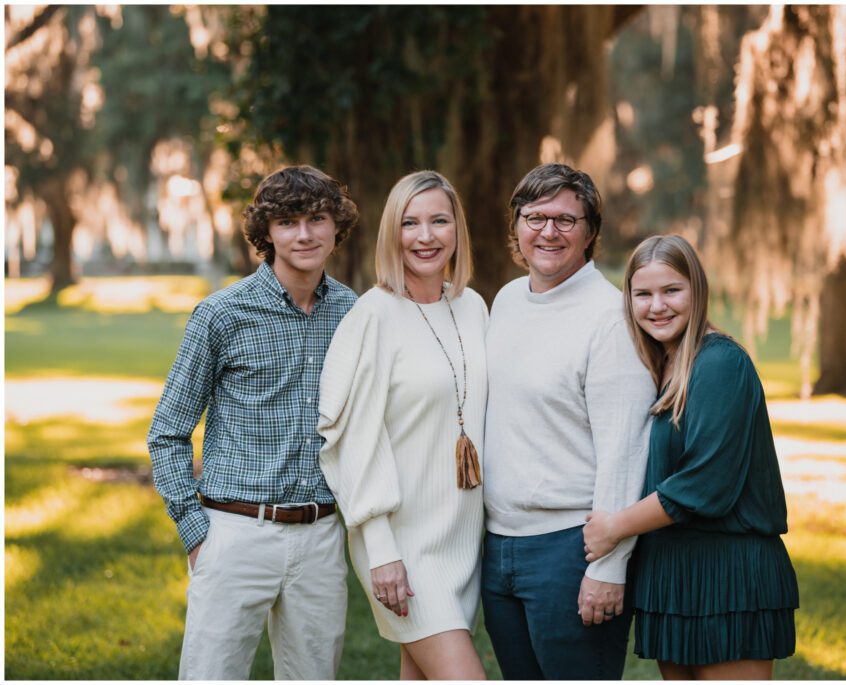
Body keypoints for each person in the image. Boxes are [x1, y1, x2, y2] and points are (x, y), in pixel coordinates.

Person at [147, 165, 359, 680]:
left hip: (321, 535)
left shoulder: (356, 314)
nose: (304, 234)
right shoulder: (222, 314)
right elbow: (168, 432)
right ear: (267, 233)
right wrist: (197, 533)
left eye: (317, 218)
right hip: (234, 532)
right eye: (288, 222)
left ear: (337, 228)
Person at [582, 234, 800, 680]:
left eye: (671, 291)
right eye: (642, 294)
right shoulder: (661, 365)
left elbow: (705, 485)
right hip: (671, 574)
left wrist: (613, 528)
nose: (656, 306)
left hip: (728, 574)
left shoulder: (720, 363)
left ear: (697, 291)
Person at [481, 163, 656, 679]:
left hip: (570, 550)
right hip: (498, 548)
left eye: (565, 220)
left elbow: (626, 450)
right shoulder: (508, 300)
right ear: (516, 226)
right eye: (535, 217)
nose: (548, 232)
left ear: (590, 232)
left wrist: (608, 567)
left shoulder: (609, 317)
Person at [318, 170, 488, 680]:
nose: (426, 236)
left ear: (457, 229)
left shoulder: (473, 306)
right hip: (403, 544)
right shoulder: (374, 315)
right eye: (410, 223)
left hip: (460, 535)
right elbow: (354, 439)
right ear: (393, 233)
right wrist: (382, 550)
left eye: (439, 220)